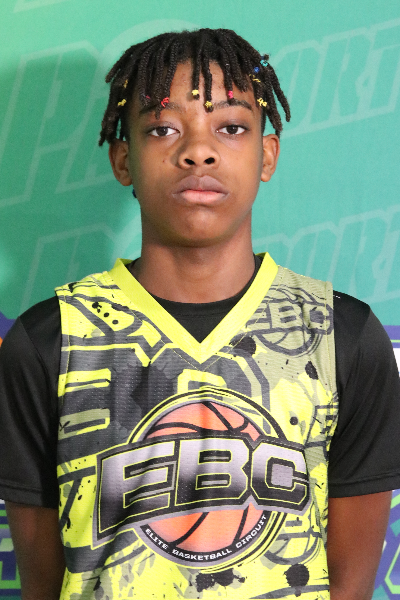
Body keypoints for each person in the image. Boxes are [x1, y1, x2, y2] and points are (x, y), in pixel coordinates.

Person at [1, 28, 400, 600]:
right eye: (163, 128)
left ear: (267, 155)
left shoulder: (341, 336)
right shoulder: (51, 340)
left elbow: (350, 584)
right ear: (123, 160)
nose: (198, 151)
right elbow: (43, 582)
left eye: (231, 127)